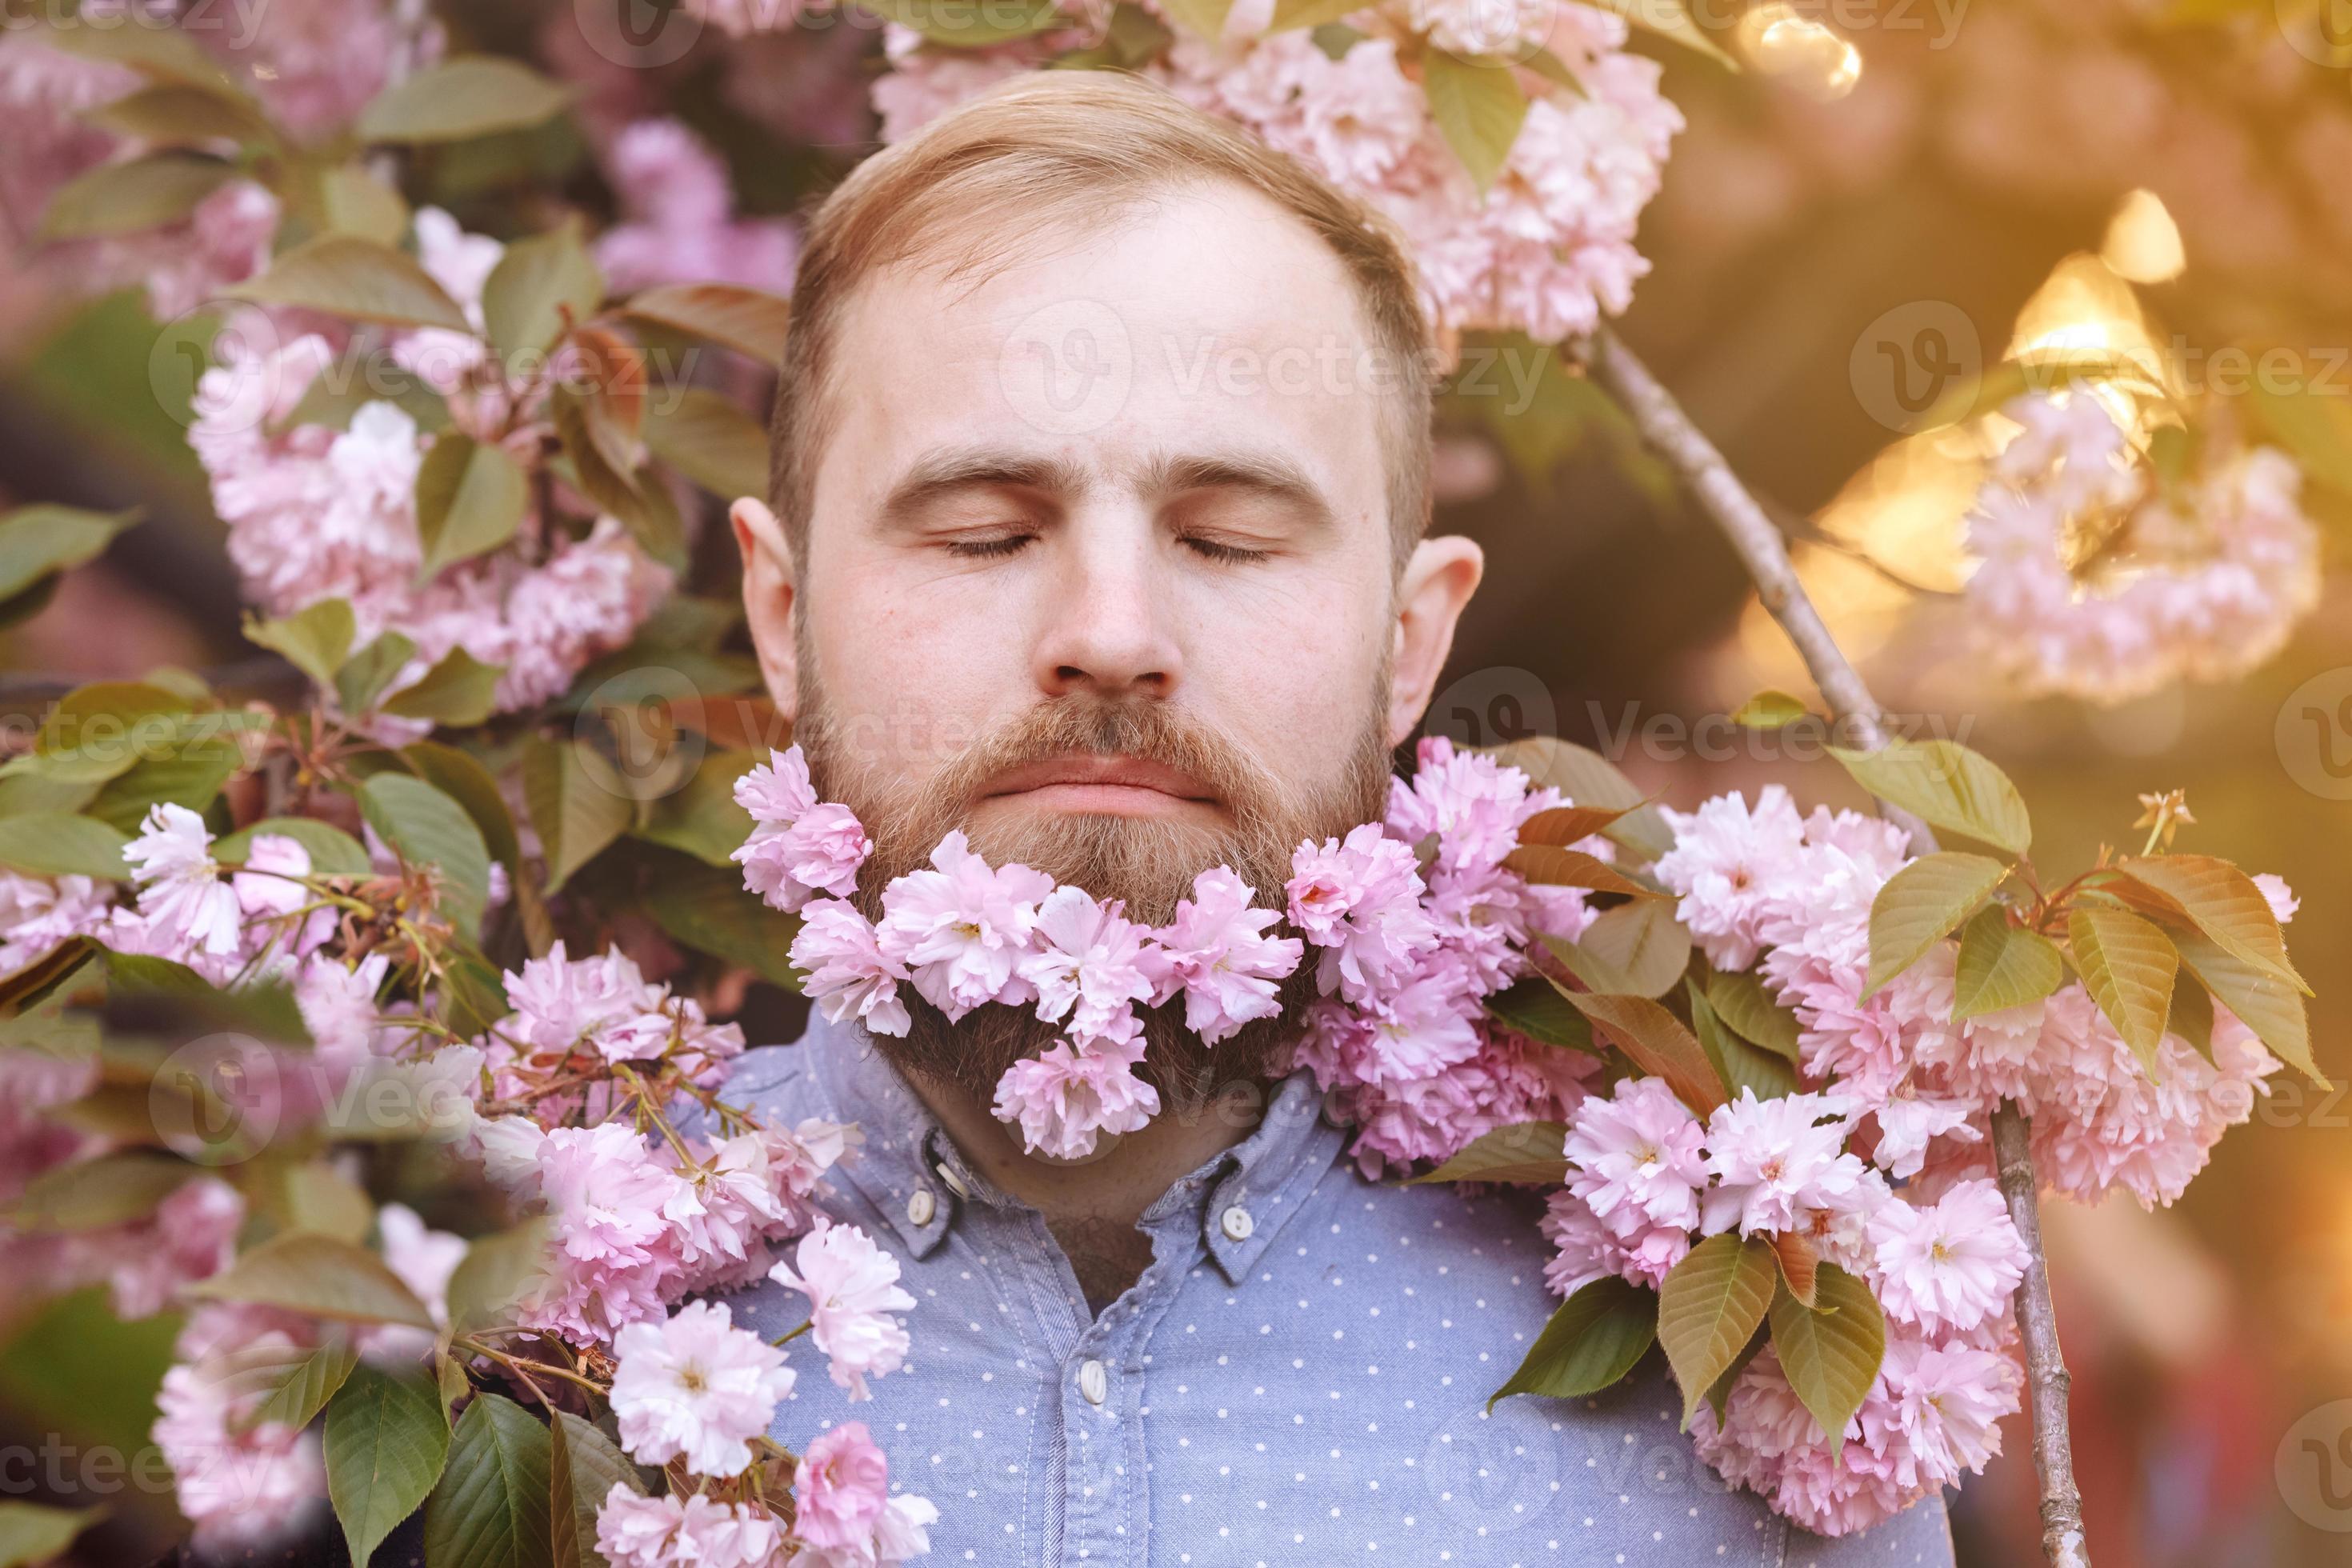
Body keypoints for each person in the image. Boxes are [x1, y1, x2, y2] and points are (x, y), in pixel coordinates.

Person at [716, 70, 1956, 1566]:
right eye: (986, 530)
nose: (1111, 632)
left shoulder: (1750, 1371)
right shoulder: (485, 1326)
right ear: (781, 619)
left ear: (1412, 647)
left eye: (1228, 540)